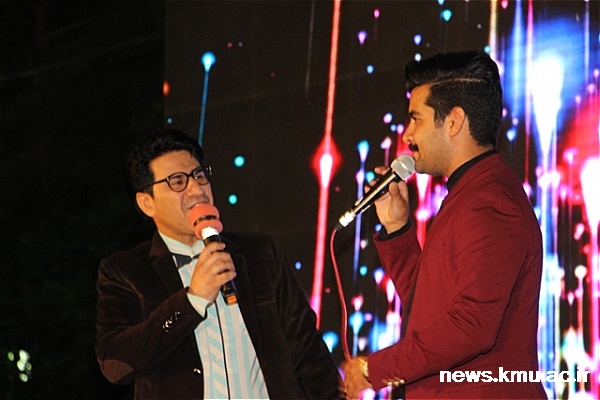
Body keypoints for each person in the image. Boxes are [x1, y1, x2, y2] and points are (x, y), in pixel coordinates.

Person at [342, 51, 546, 399]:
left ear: (454, 121)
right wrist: (398, 230)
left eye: (416, 119)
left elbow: (470, 327)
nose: (407, 135)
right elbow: (431, 311)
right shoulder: (469, 194)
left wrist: (373, 370)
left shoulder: (490, 201)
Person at [95, 128, 341, 399]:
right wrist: (192, 301)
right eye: (178, 181)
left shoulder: (258, 253)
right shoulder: (124, 271)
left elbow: (308, 349)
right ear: (146, 203)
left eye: (199, 175)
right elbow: (115, 364)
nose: (196, 189)